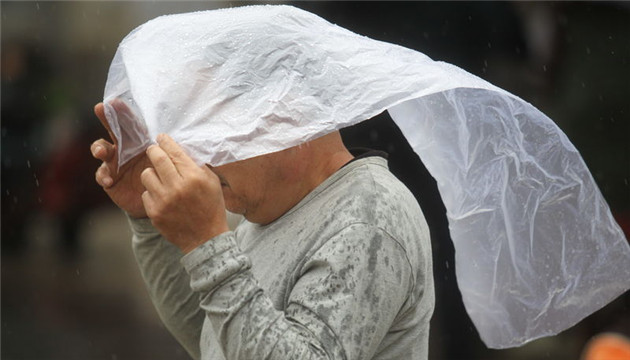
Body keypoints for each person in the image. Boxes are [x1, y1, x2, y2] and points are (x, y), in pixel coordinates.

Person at [91, 99, 434, 359]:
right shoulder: (277, 204)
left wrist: (207, 242)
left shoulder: (367, 216)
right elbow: (214, 336)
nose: (201, 158)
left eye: (215, 134)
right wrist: (148, 219)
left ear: (289, 121)